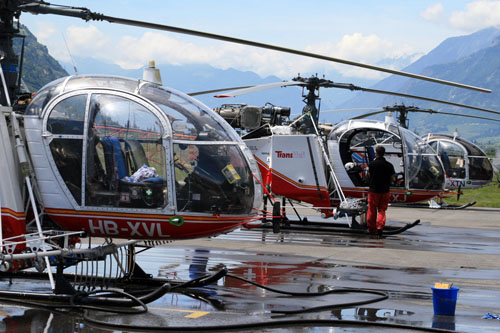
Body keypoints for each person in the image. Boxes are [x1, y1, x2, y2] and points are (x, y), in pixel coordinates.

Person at [367, 146, 395, 238]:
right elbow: (392, 178)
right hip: (385, 191)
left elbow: (368, 176)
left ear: (376, 153)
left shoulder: (372, 164)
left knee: (372, 209)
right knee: (382, 210)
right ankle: (380, 227)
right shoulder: (389, 165)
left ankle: (372, 229)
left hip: (374, 191)